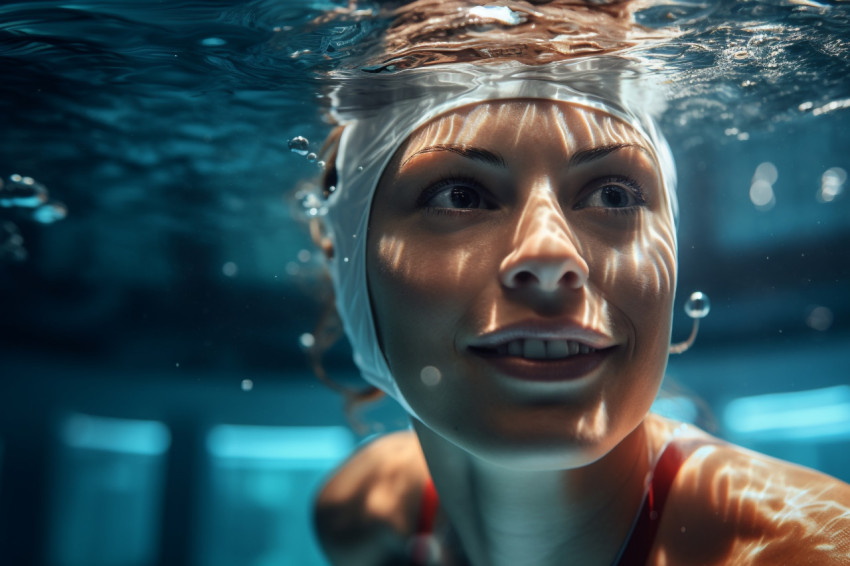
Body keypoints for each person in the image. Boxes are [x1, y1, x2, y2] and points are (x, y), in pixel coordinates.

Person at [306, 2, 850, 564]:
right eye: (459, 197)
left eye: (613, 195)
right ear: (346, 256)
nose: (550, 253)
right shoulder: (365, 513)